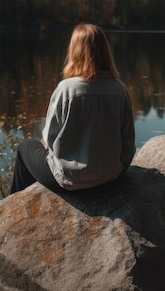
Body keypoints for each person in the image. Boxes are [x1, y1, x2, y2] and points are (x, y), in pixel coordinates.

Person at [10, 23, 136, 194]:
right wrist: (116, 170)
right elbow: (128, 144)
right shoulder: (120, 90)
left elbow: (49, 140)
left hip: (69, 179)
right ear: (105, 52)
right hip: (109, 178)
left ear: (75, 51)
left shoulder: (66, 88)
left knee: (25, 147)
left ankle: (16, 209)